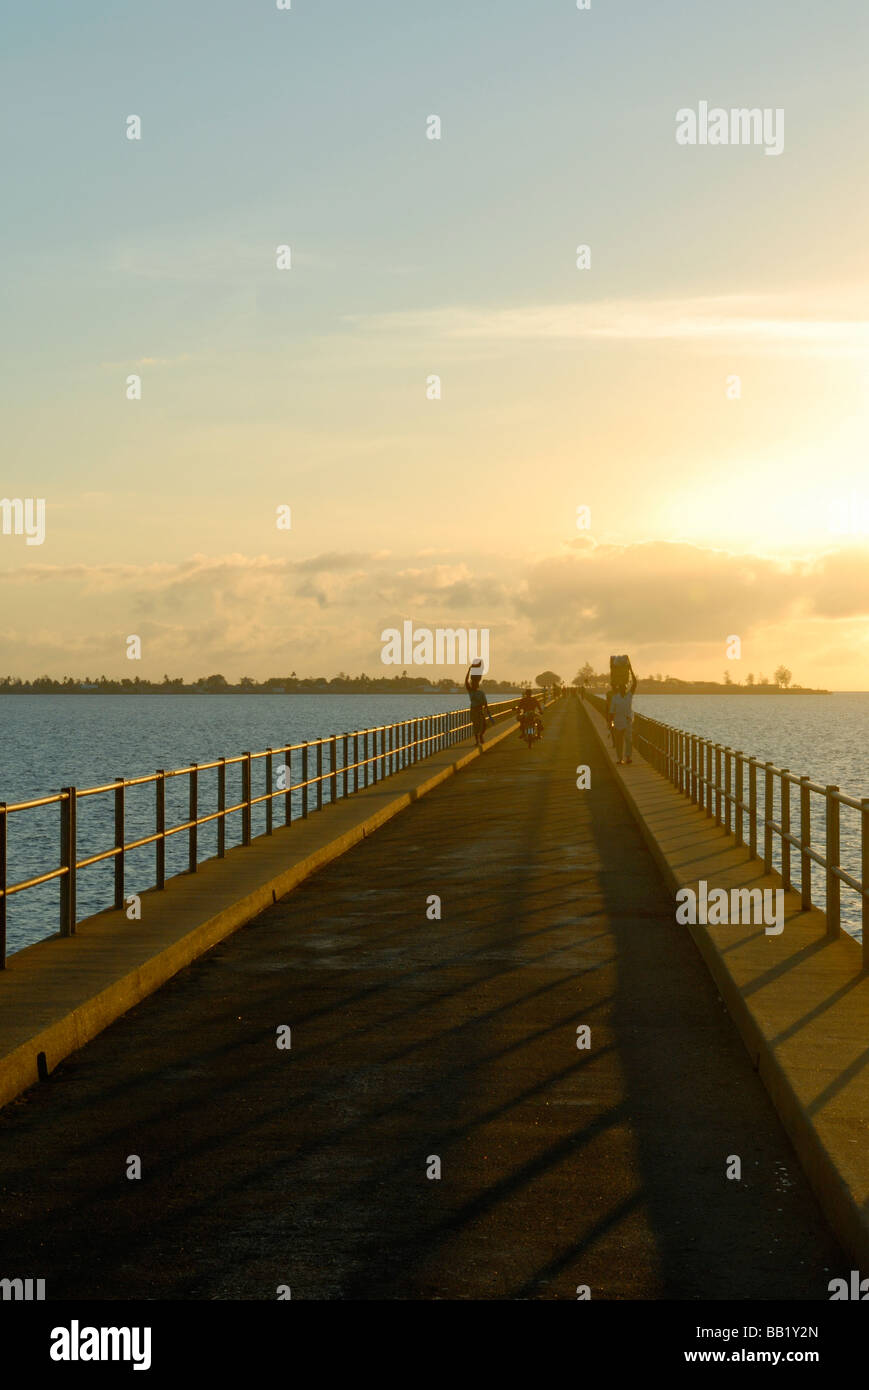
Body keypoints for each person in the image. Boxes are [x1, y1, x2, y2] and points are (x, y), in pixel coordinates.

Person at [606, 661, 637, 764]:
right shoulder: (615, 698)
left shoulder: (629, 696)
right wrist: (610, 723)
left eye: (625, 687)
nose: (623, 688)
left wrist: (631, 669)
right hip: (618, 722)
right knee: (619, 742)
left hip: (628, 721)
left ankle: (628, 757)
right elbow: (611, 712)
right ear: (619, 688)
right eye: (621, 687)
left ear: (626, 688)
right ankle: (620, 759)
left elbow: (635, 683)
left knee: (629, 741)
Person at [465, 665, 494, 749]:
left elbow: (485, 702)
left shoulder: (481, 693)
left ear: (477, 685)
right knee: (476, 726)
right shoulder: (470, 691)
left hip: (480, 710)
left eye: (475, 684)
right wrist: (469, 670)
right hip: (474, 710)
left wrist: (487, 710)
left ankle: (481, 735)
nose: (474, 685)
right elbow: (466, 681)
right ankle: (477, 741)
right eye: (473, 684)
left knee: (484, 725)